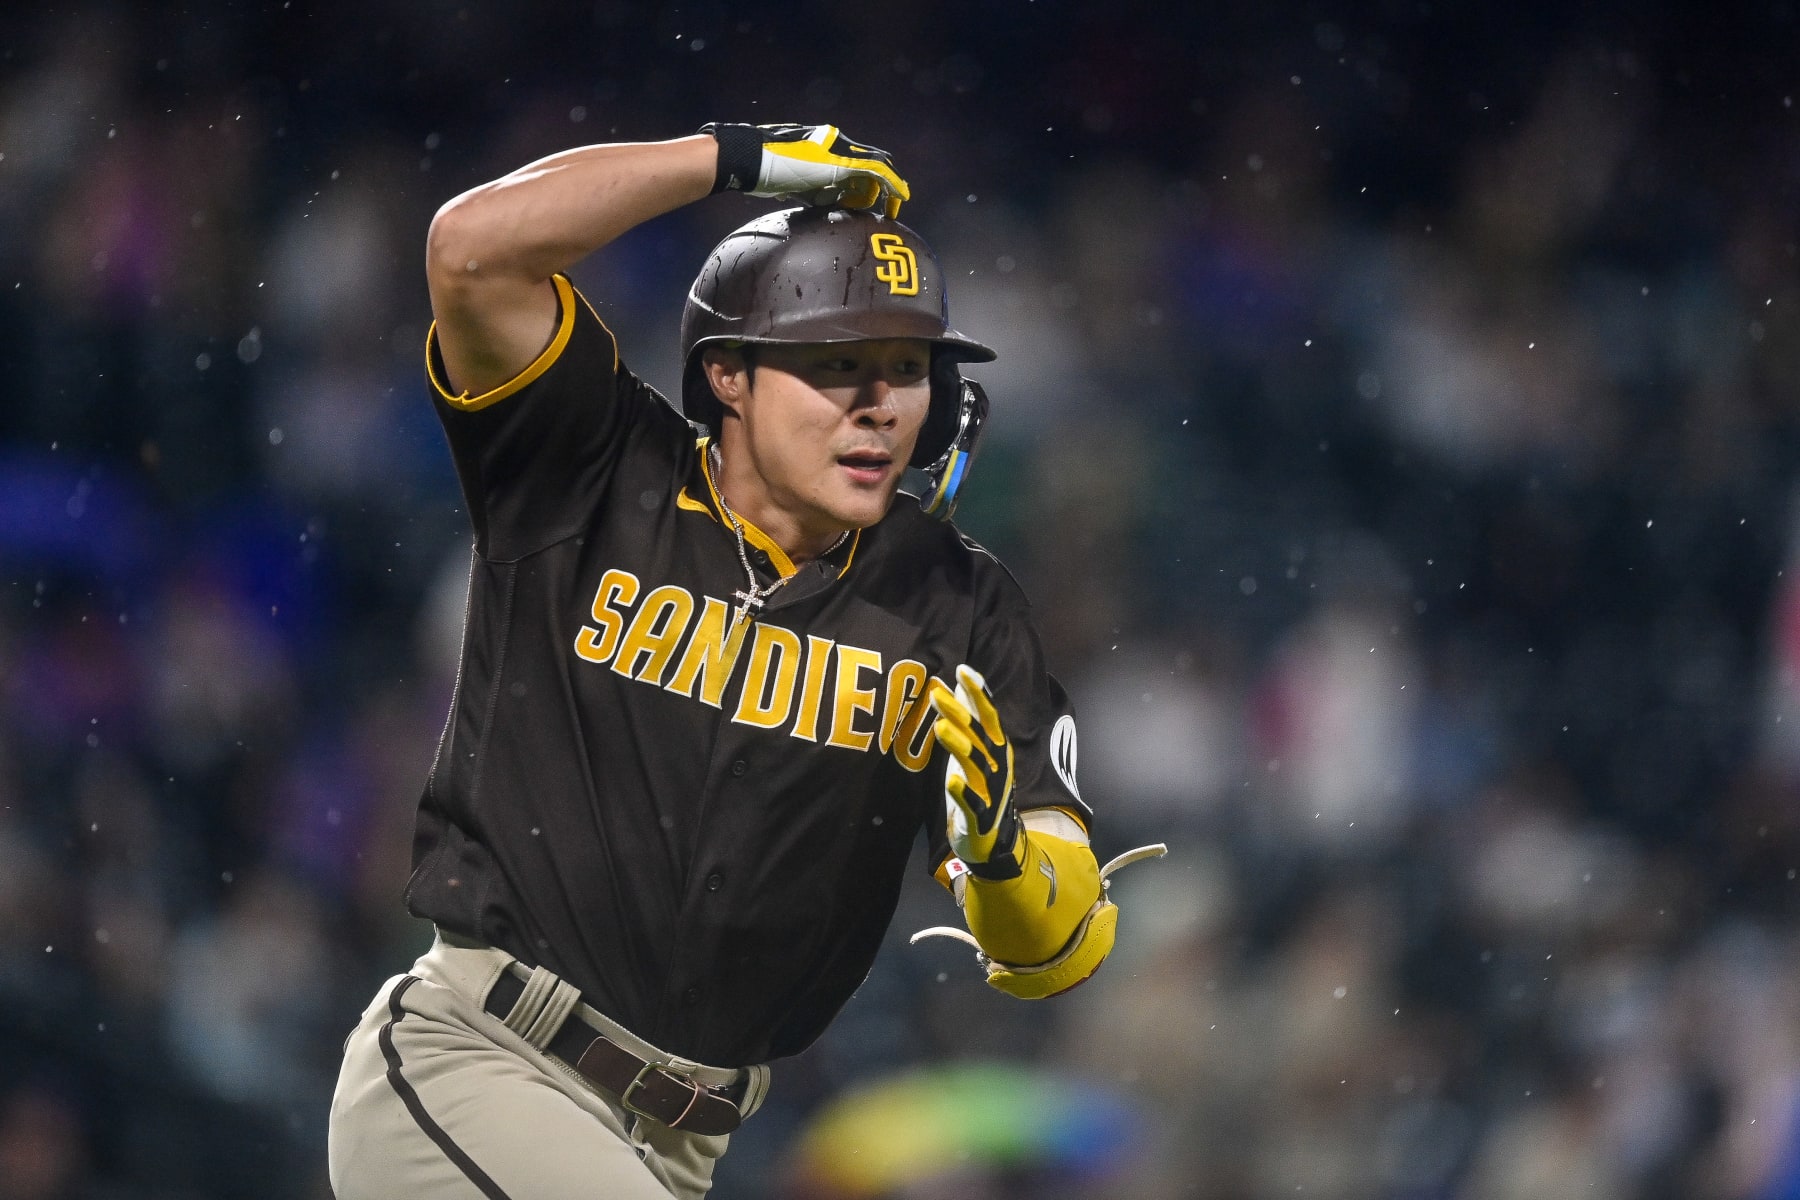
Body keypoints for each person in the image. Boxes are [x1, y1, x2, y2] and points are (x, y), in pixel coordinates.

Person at [326, 121, 1162, 1200]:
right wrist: (728, 160)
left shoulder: (956, 603)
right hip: (477, 1064)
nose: (879, 406)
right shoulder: (591, 467)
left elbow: (1061, 948)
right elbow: (472, 249)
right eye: (835, 366)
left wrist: (1004, 868)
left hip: (683, 1147)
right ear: (727, 375)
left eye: (906, 369)